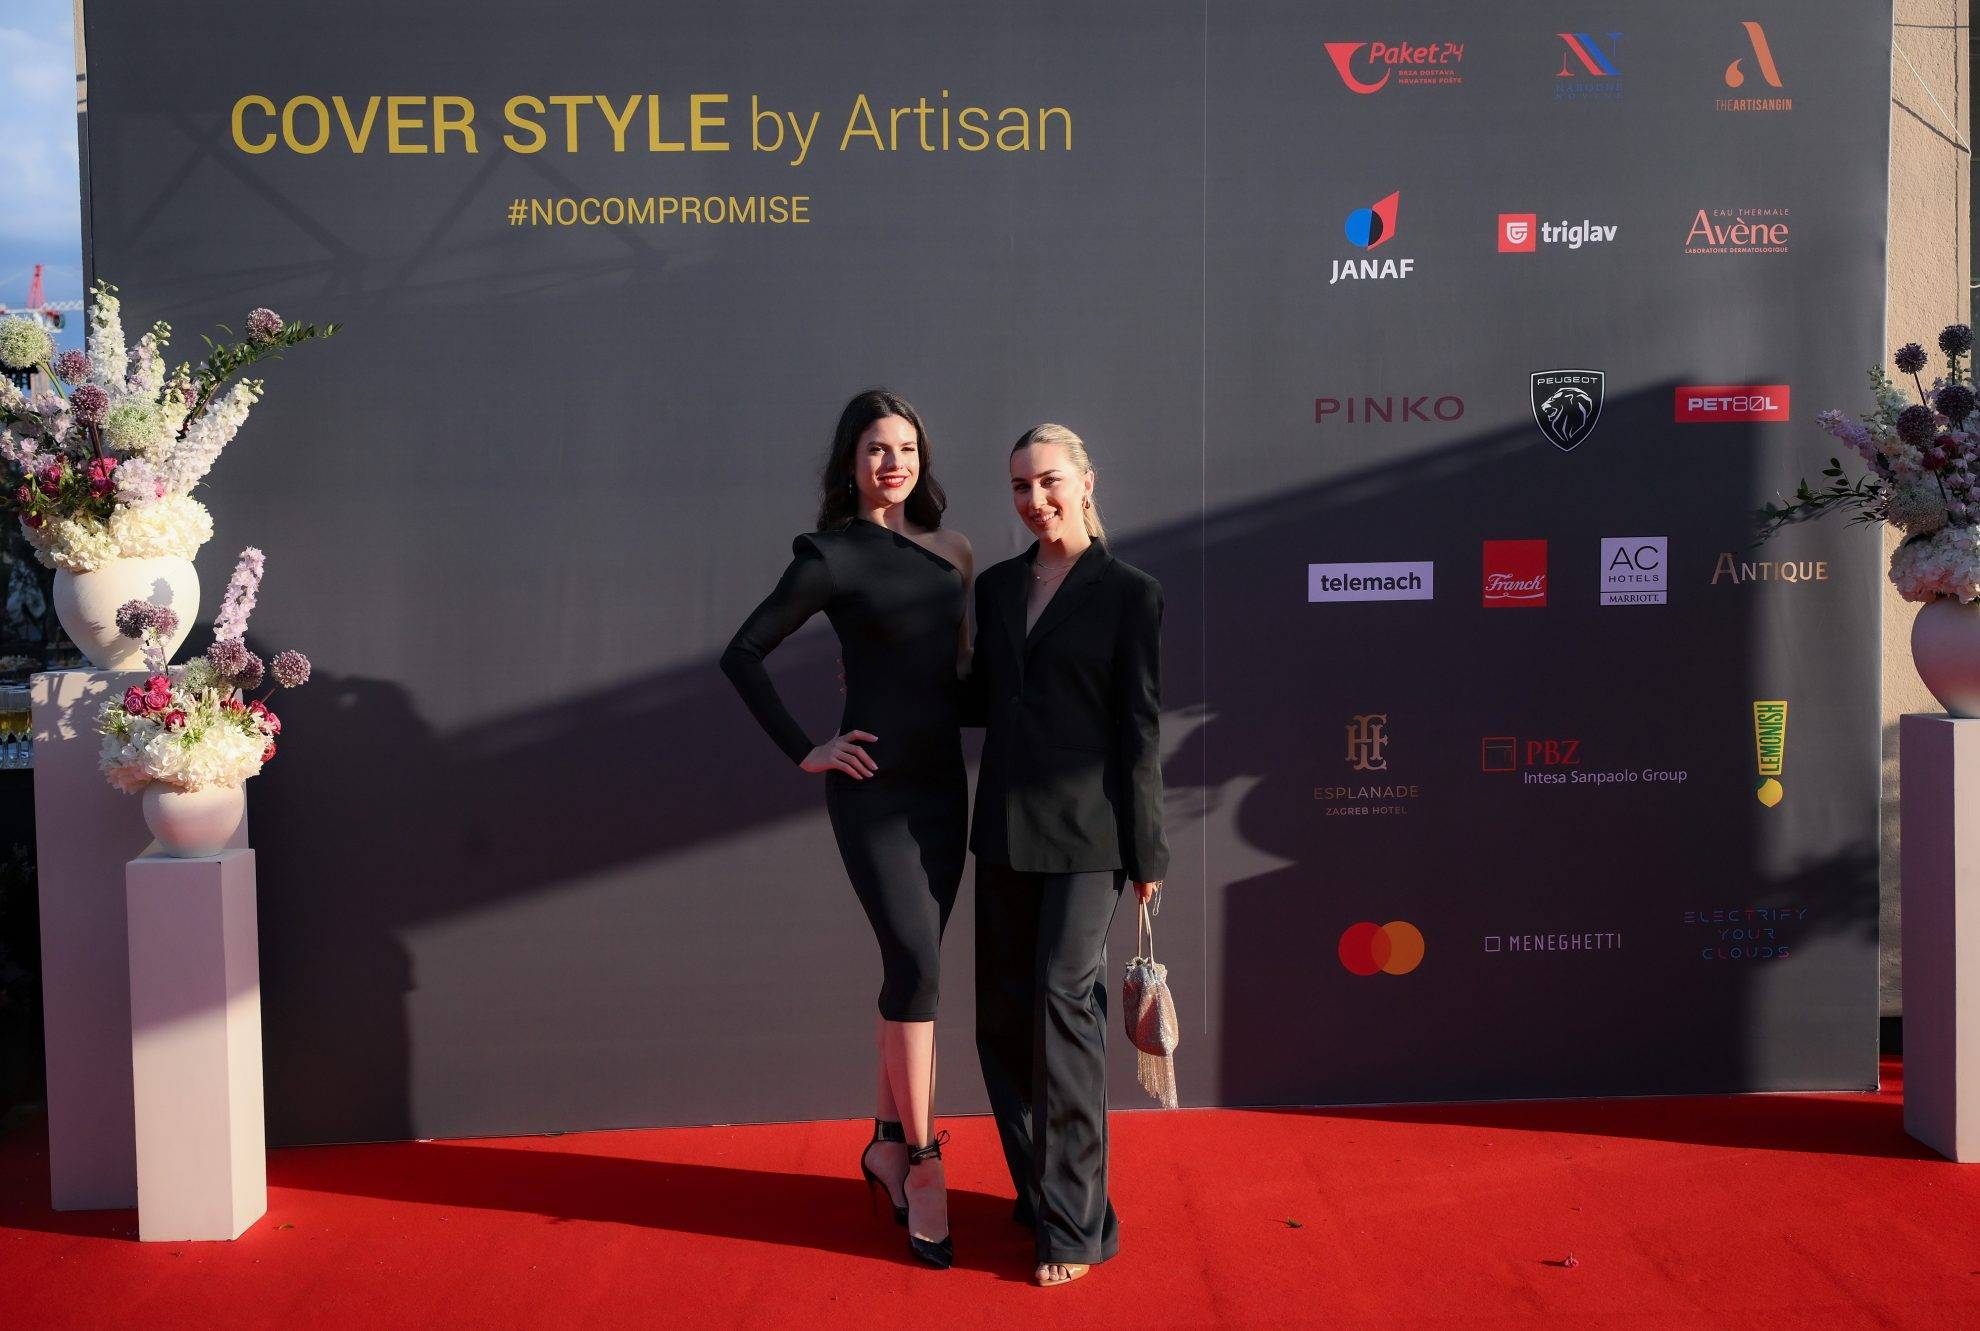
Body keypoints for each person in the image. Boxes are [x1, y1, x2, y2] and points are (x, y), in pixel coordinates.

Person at [719, 389, 974, 1269]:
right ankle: (927, 1160)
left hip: (943, 790)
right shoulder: (828, 556)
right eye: (876, 449)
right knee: (918, 966)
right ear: (851, 462)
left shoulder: (953, 550)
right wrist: (807, 748)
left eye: (906, 448)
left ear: (921, 459)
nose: (893, 463)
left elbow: (959, 677)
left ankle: (885, 1146)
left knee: (911, 974)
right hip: (874, 793)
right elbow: (741, 653)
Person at [962, 422, 1167, 1287]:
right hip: (1005, 827)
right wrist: (891, 684)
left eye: (1049, 480)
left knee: (1061, 1001)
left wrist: (1148, 852)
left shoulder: (1129, 593)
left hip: (1091, 835)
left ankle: (1078, 1224)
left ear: (1086, 480)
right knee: (1002, 1022)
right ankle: (1040, 1191)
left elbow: (1138, 728)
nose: (1034, 499)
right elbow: (983, 697)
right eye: (1020, 485)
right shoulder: (999, 587)